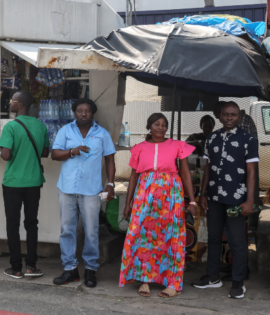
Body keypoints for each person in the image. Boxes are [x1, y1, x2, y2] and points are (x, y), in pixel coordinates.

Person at [119, 113, 197, 298]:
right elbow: (133, 176)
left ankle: (173, 283)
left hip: (171, 196)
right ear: (149, 127)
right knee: (143, 235)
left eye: (164, 124)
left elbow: (185, 174)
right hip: (144, 196)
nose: (161, 127)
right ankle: (144, 279)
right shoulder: (139, 148)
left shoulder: (178, 146)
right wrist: (128, 203)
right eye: (157, 124)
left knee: (172, 236)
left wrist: (192, 201)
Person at [192, 102, 258, 299]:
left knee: (237, 240)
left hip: (237, 199)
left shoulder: (248, 139)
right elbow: (207, 168)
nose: (229, 117)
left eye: (233, 114)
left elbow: (252, 172)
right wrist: (203, 194)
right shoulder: (212, 138)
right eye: (226, 114)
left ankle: (238, 281)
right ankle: (213, 277)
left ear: (239, 117)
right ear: (219, 116)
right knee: (213, 237)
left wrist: (249, 201)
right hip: (214, 198)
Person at [51, 98, 116, 288]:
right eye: (80, 110)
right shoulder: (65, 131)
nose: (83, 114)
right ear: (75, 112)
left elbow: (110, 160)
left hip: (91, 190)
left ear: (92, 113)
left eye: (87, 111)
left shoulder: (102, 134)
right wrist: (73, 151)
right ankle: (70, 270)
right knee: (67, 230)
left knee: (92, 232)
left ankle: (90, 270)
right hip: (67, 188)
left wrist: (110, 184)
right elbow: (54, 154)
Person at [0, 91, 49, 279]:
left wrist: (4, 148)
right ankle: (31, 267)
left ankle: (16, 268)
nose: (10, 103)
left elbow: (6, 155)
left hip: (13, 182)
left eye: (12, 101)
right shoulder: (40, 125)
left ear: (20, 105)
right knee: (31, 223)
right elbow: (44, 152)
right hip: (34, 181)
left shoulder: (11, 126)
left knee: (12, 225)